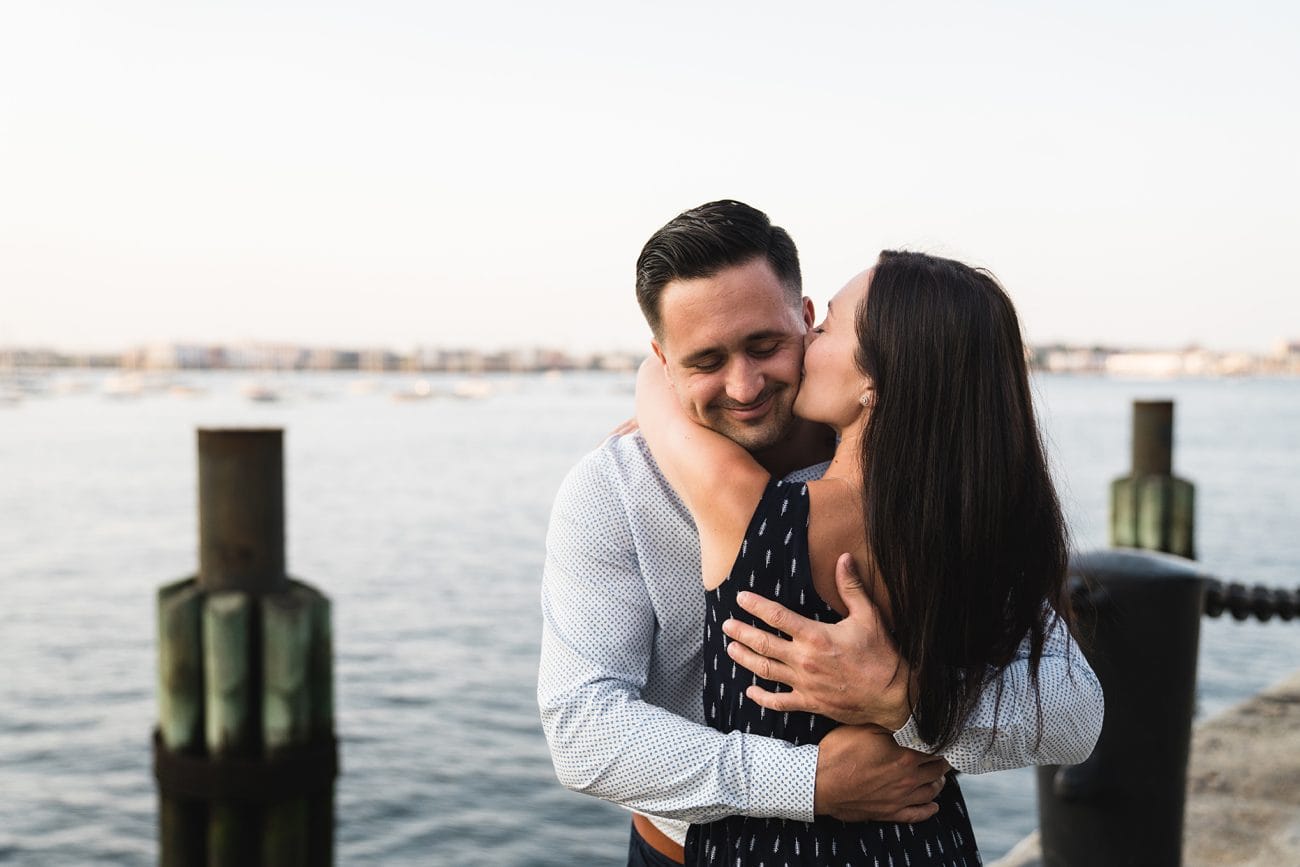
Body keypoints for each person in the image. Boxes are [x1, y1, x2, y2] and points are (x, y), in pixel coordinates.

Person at [539, 201, 1103, 867]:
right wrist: (809, 781)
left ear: (807, 322)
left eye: (765, 345)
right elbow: (584, 730)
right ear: (663, 359)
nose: (744, 385)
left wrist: (906, 697)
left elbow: (1069, 710)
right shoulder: (616, 488)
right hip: (686, 849)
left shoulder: (917, 482)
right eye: (706, 361)